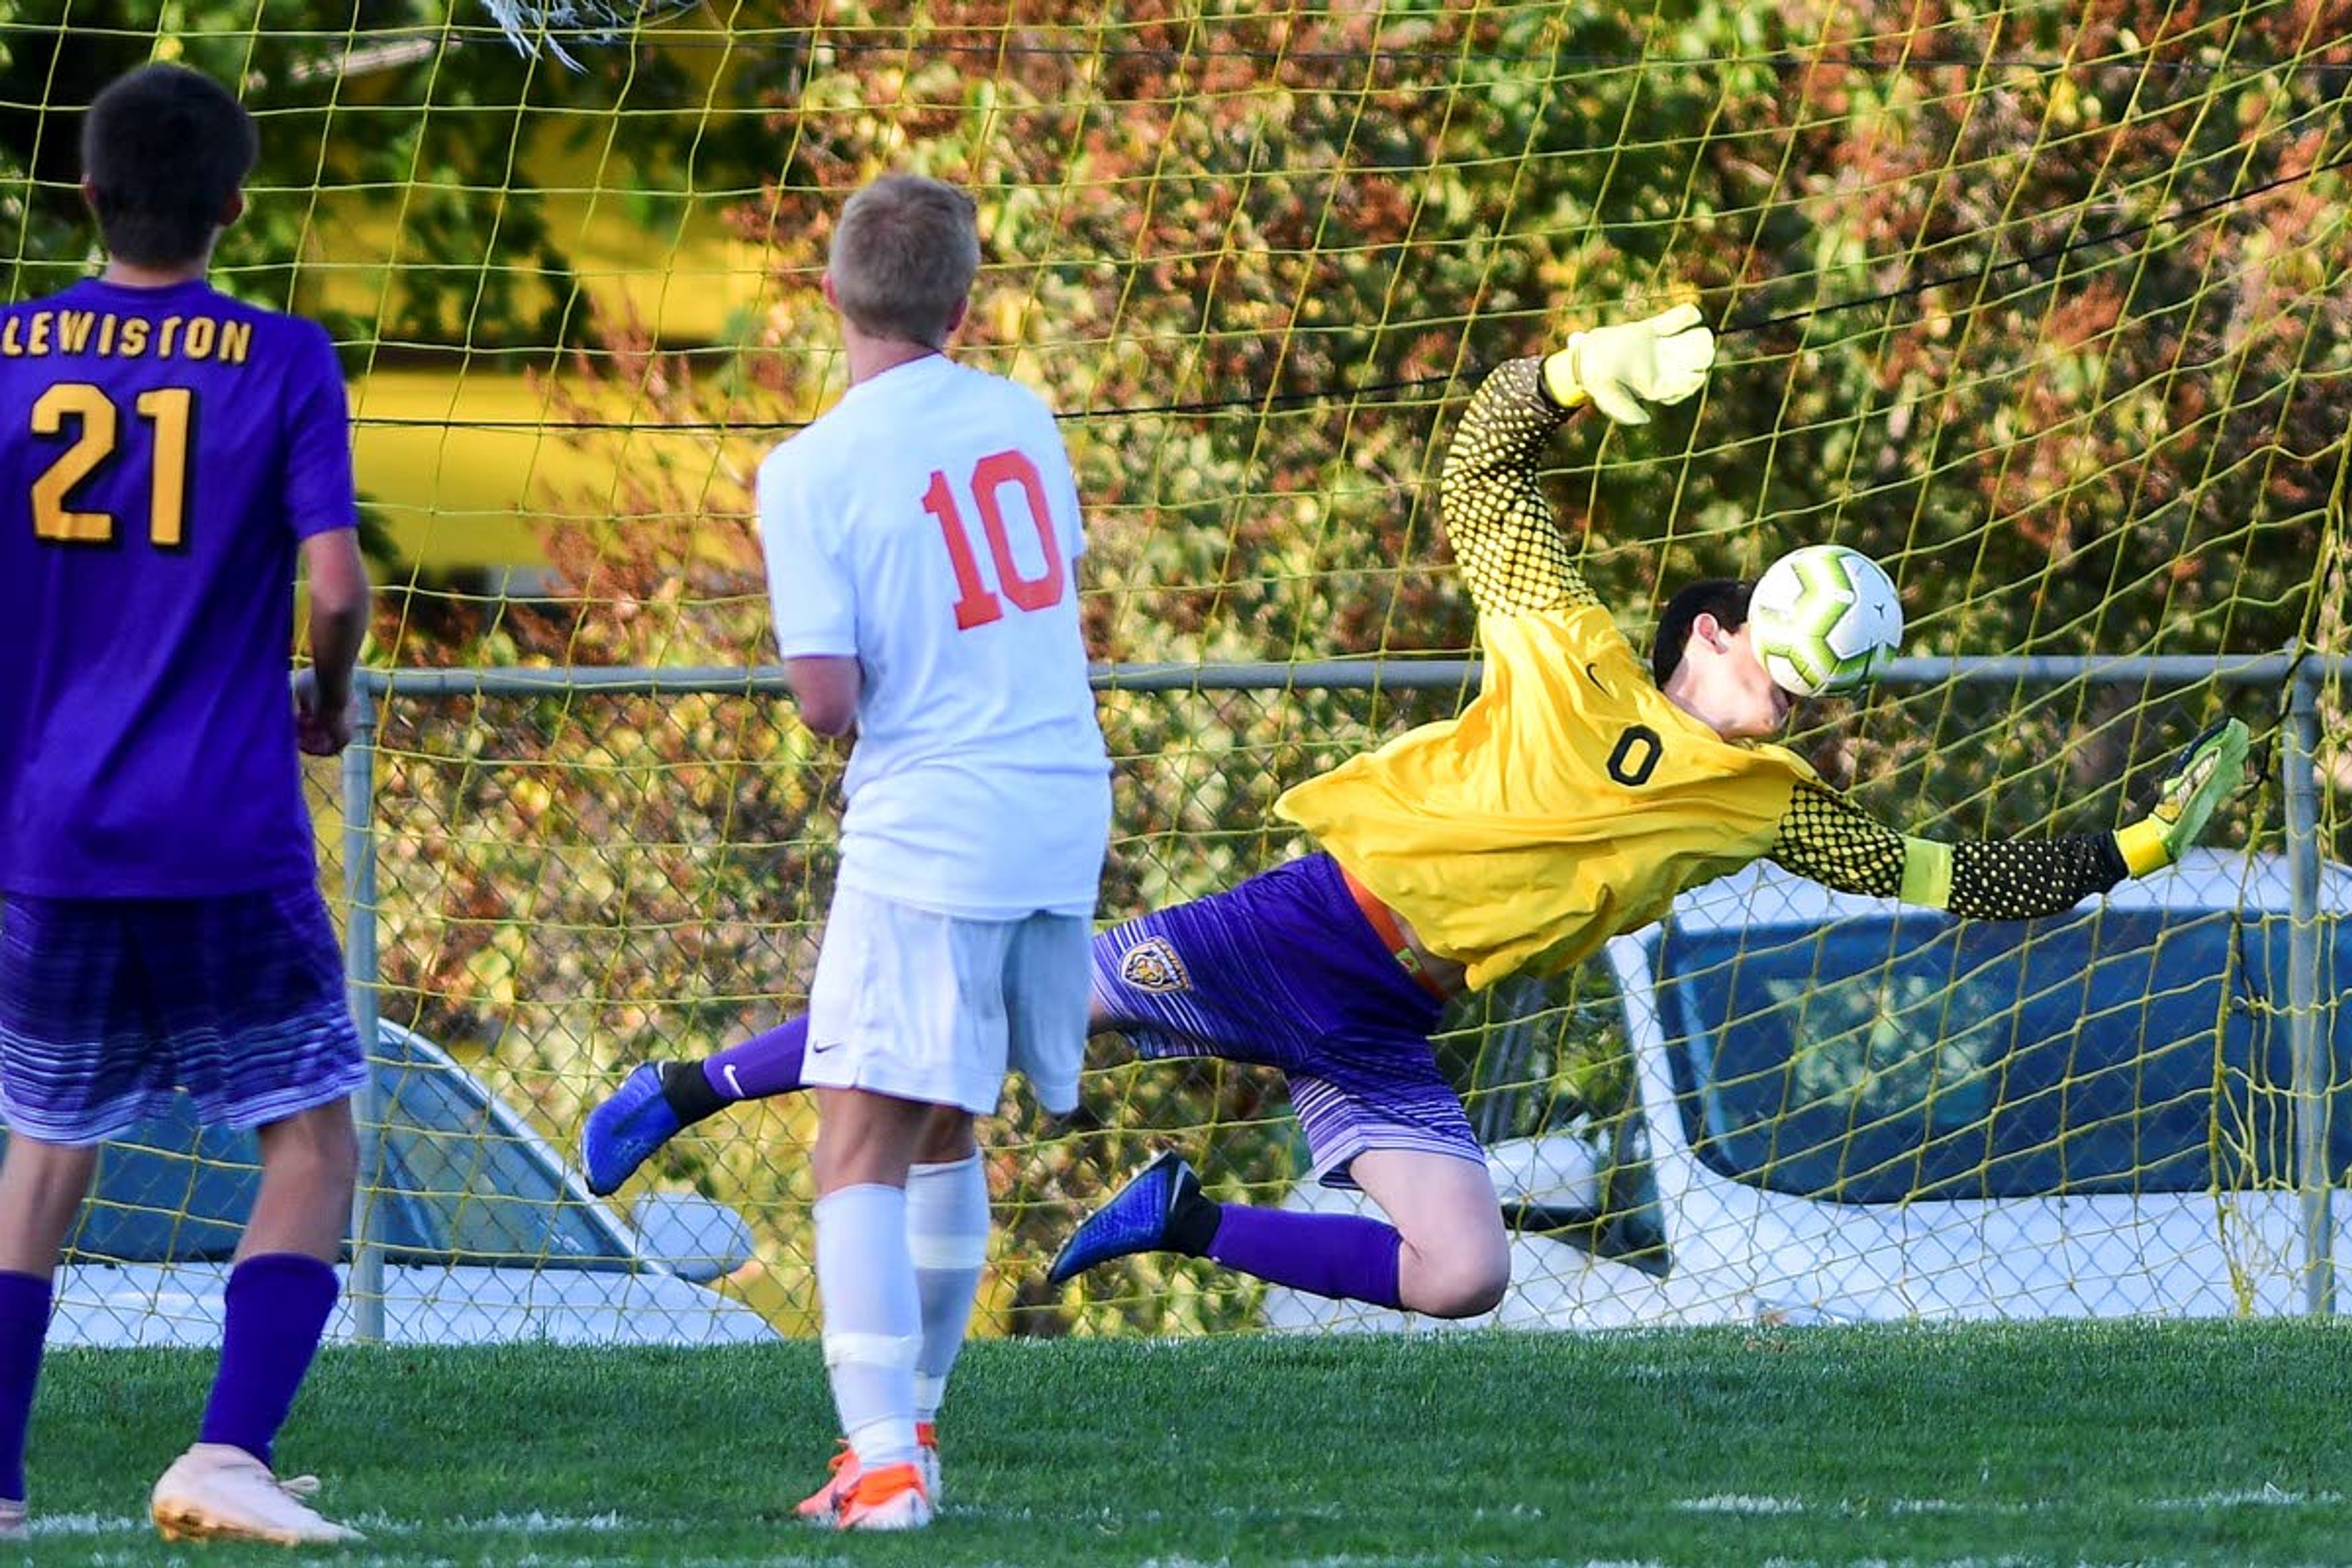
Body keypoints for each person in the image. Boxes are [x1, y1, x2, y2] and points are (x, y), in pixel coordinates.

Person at [582, 305, 2248, 1327]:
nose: (1794, 712)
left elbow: (1963, 877)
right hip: (1304, 930)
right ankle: (684, 1085)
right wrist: (1580, 372)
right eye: (1781, 677)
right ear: (1719, 634)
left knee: (1466, 1275)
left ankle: (1188, 1220)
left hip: (1392, 1015)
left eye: (1819, 702)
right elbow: (1478, 472)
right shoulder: (1574, 649)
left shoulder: (1768, 808)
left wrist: (2142, 848)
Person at [653, 172, 1107, 1532]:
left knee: (853, 1126)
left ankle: (887, 1461)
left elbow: (827, 699)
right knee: (947, 1119)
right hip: (1062, 794)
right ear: (962, 302)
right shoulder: (1022, 415)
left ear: (830, 292)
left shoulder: (810, 465)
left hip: (937, 812)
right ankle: (909, 1431)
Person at [0, 64, 374, 1545]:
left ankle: (2, 1481)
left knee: (41, 1145)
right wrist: (327, 698)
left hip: (47, 835)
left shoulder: (8, 349)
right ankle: (225, 1447)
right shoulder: (282, 359)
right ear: (234, 200)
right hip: (224, 829)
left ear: (85, 194)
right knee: (313, 1139)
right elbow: (335, 584)